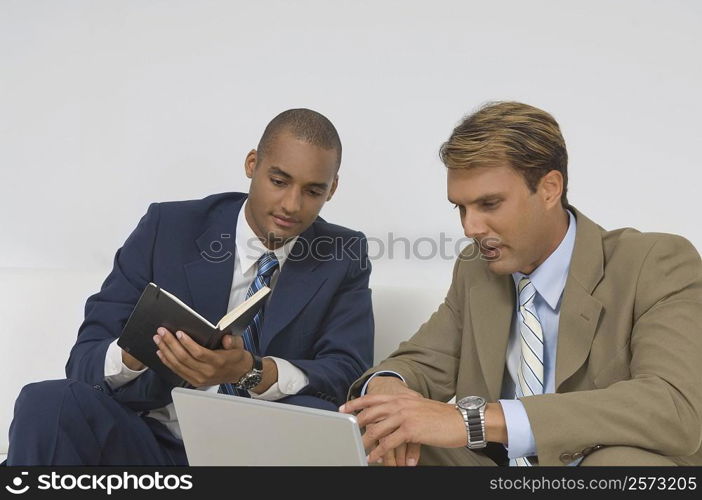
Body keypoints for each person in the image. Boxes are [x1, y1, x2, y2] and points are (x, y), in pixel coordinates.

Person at [341, 101, 702, 467]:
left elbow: (674, 406)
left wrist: (476, 422)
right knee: (385, 438)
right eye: (461, 208)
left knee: (617, 464)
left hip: (607, 470)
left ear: (549, 189)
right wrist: (388, 392)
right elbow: (419, 360)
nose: (471, 228)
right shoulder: (475, 270)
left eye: (490, 204)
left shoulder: (654, 262)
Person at [8, 108, 374, 465]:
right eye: (278, 181)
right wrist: (135, 353)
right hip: (149, 439)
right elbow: (84, 361)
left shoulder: (342, 254)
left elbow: (346, 375)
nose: (291, 205)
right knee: (48, 402)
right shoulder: (167, 227)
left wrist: (250, 371)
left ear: (333, 189)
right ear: (252, 164)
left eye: (313, 191)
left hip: (256, 454)